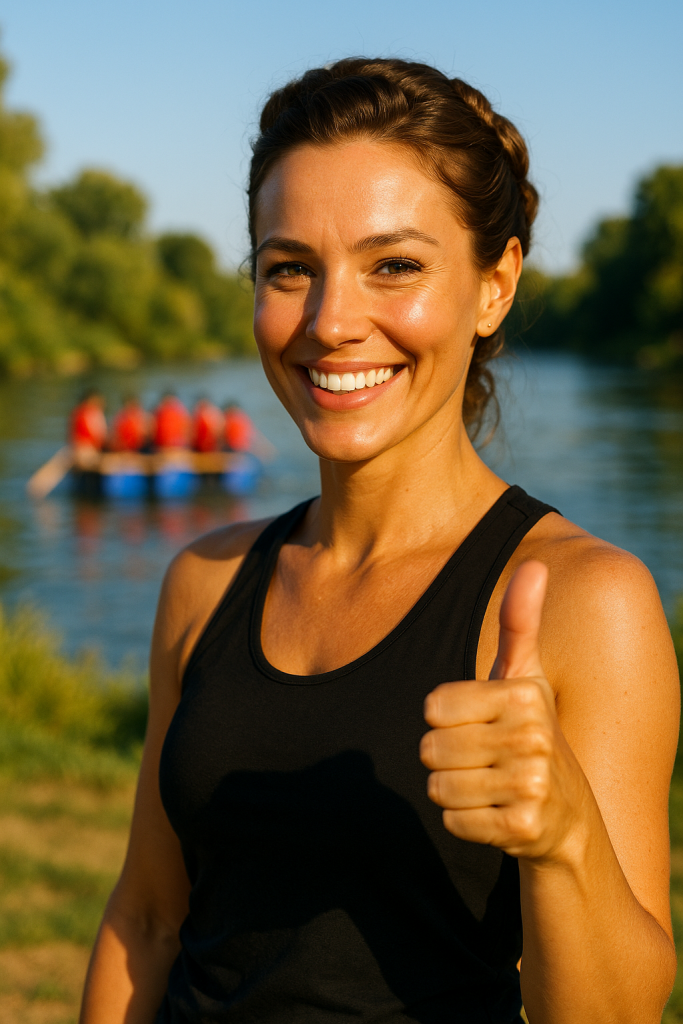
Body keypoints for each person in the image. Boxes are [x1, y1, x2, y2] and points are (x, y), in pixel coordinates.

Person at [80, 59, 679, 1024]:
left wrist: (564, 835)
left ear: (494, 286)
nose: (329, 323)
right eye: (289, 269)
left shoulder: (585, 601)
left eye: (392, 265)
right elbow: (147, 919)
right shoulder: (204, 579)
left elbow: (614, 1013)